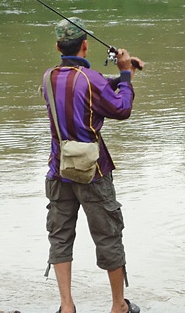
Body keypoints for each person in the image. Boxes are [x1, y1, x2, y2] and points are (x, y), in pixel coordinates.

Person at [43, 17, 143, 313]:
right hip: (93, 173)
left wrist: (119, 79)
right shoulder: (91, 80)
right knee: (108, 236)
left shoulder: (48, 77)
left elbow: (80, 91)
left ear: (58, 47)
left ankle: (66, 306)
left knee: (60, 237)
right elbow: (121, 109)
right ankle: (118, 306)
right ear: (85, 45)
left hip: (58, 171)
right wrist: (124, 75)